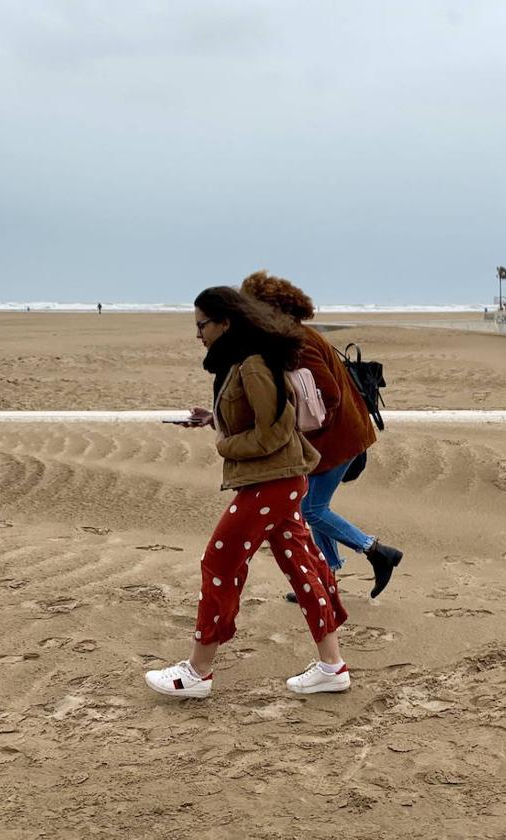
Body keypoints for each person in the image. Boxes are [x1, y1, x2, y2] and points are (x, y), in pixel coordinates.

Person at [144, 286, 351, 699]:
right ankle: (332, 667)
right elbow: (257, 418)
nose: (198, 334)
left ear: (225, 322)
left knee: (219, 561)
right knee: (303, 568)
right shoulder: (242, 362)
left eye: (202, 325)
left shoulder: (254, 364)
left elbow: (274, 432)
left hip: (274, 482)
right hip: (280, 480)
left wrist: (225, 446)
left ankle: (197, 672)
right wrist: (213, 421)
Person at [240, 271, 402, 599]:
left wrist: (296, 425)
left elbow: (328, 393)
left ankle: (377, 552)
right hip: (337, 434)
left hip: (337, 437)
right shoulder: (293, 336)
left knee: (312, 509)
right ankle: (325, 575)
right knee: (310, 505)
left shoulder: (297, 342)